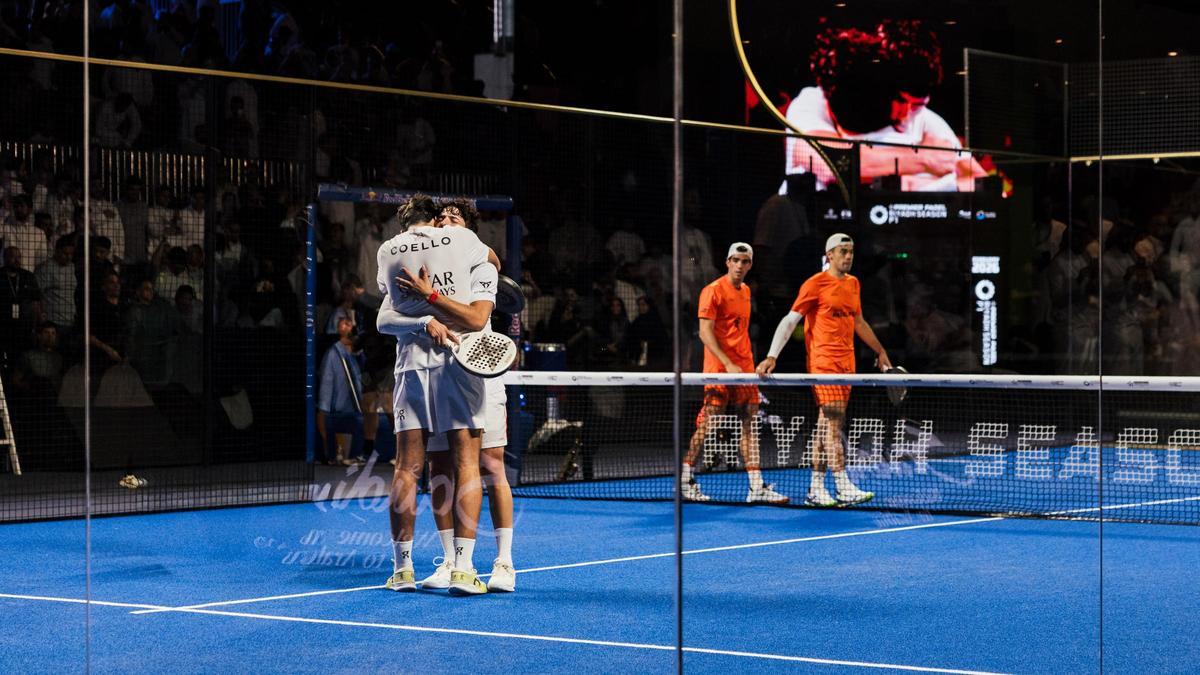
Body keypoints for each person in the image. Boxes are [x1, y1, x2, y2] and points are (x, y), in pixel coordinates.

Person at [376, 199, 516, 593]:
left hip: (475, 366)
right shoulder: (456, 245)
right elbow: (384, 318)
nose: (448, 221)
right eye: (444, 216)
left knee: (488, 465)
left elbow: (477, 314)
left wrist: (429, 300)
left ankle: (501, 560)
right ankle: (456, 563)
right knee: (446, 466)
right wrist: (427, 319)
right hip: (444, 371)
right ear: (434, 221)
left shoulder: (390, 249)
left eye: (456, 217)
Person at [756, 233, 891, 507]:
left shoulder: (853, 284)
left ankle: (816, 489)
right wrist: (772, 356)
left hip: (847, 364)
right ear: (830, 255)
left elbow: (859, 322)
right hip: (823, 364)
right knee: (832, 425)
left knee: (825, 427)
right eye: (843, 252)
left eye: (851, 251)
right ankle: (842, 484)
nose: (849, 256)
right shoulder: (815, 284)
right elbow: (790, 320)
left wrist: (880, 350)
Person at [781, 22, 986, 194]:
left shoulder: (924, 120)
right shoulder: (814, 102)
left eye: (916, 105)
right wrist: (925, 158)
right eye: (900, 101)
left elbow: (975, 179)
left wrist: (916, 185)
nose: (906, 115)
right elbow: (829, 162)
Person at [681, 243, 788, 504]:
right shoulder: (712, 291)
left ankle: (756, 487)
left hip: (745, 369)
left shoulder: (747, 291)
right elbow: (705, 334)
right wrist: (728, 363)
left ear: (750, 265)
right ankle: (685, 480)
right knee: (709, 424)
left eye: (745, 261)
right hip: (719, 370)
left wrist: (746, 363)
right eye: (736, 260)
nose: (740, 265)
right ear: (728, 262)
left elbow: (739, 332)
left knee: (749, 425)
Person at [316, 315, 366, 466]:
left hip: (353, 402)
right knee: (332, 428)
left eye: (351, 324)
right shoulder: (333, 353)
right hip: (337, 403)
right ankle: (332, 455)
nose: (349, 326)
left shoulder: (356, 350)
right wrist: (325, 406)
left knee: (358, 424)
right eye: (345, 324)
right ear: (339, 328)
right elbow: (327, 379)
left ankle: (354, 455)